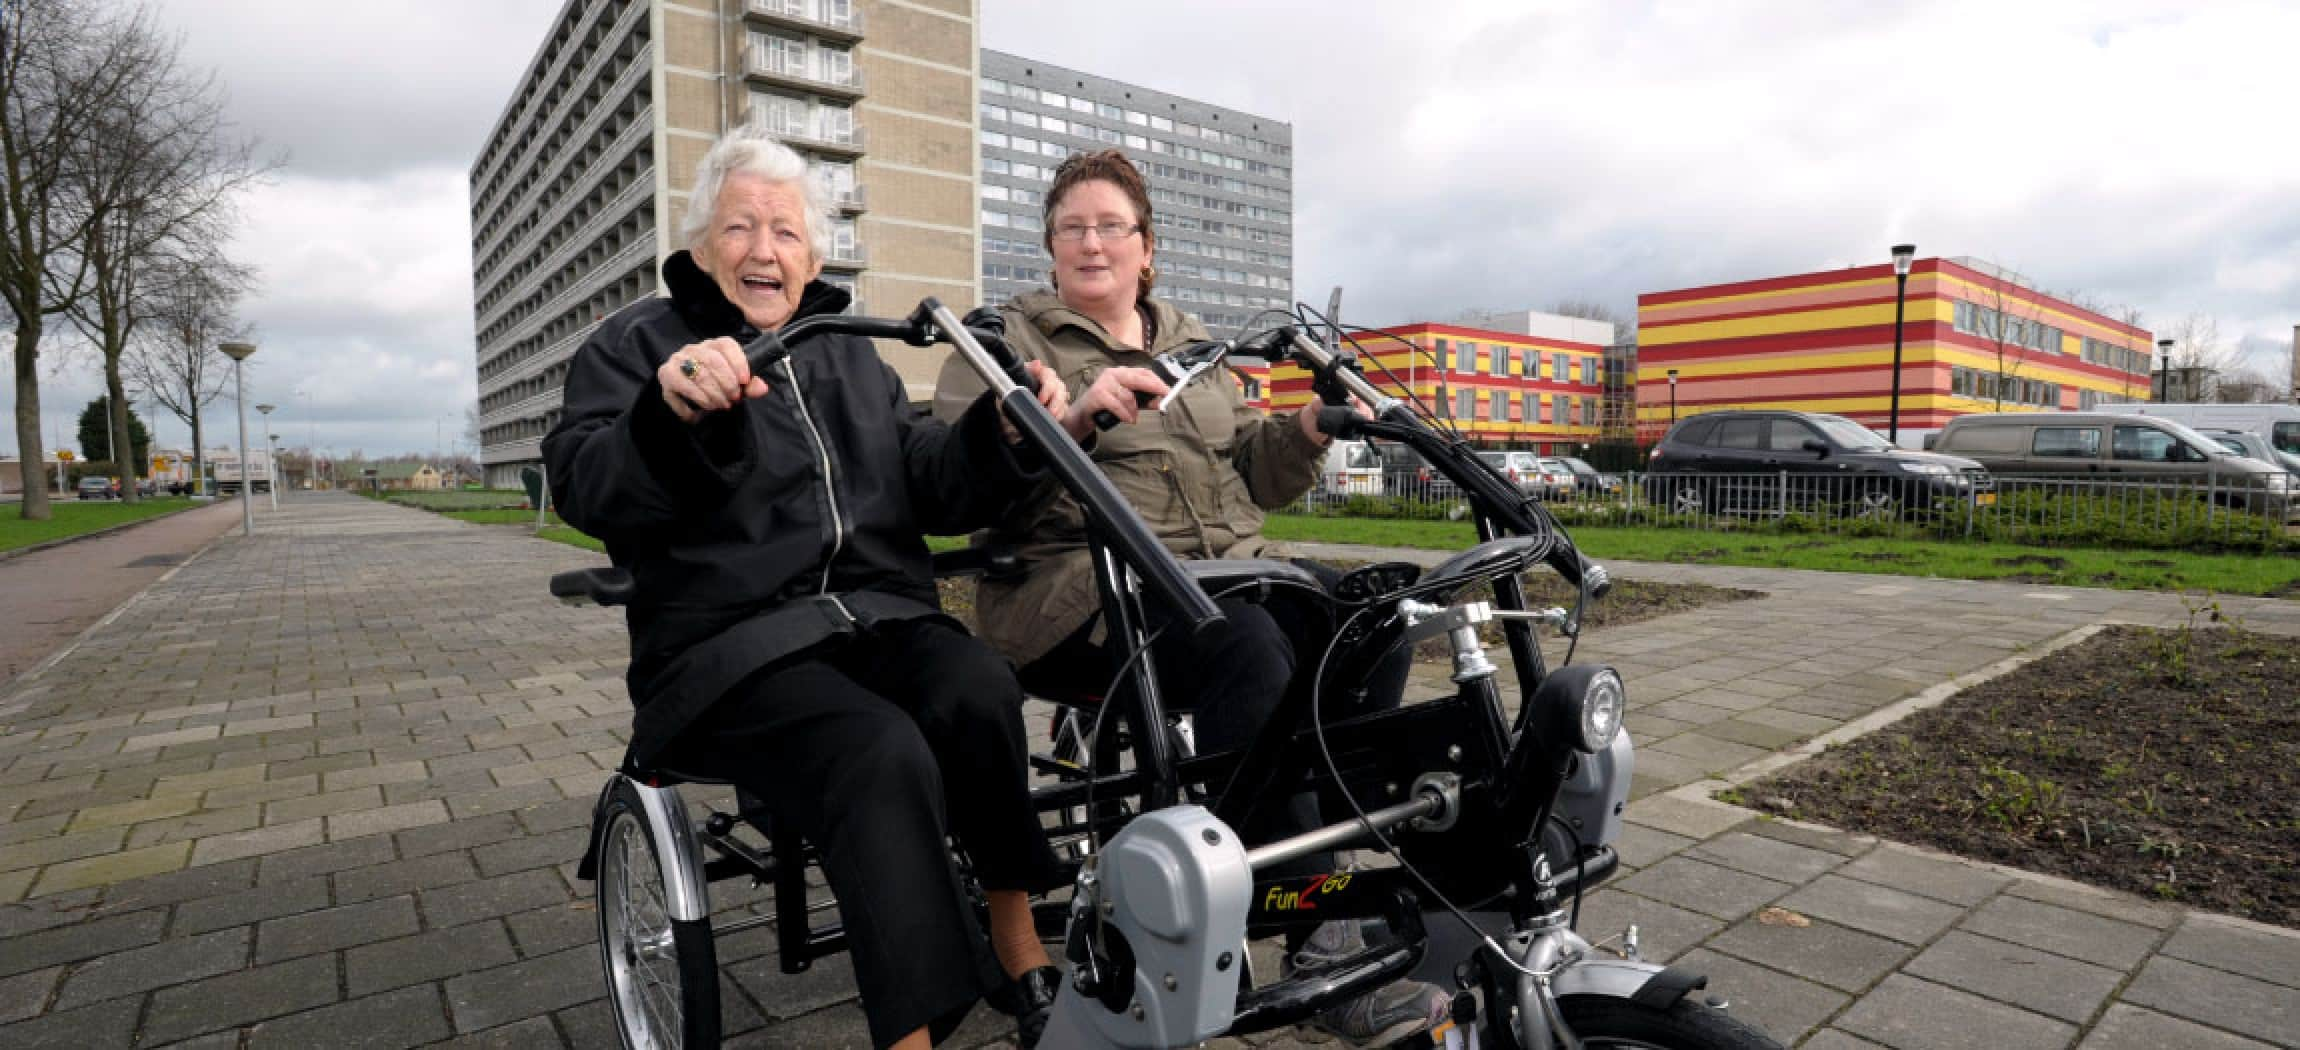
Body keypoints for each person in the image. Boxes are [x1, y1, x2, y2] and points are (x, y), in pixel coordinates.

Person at [543, 128, 1149, 1050]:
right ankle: (911, 1036)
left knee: (978, 686)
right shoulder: (641, 345)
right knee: (877, 748)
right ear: (701, 242)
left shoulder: (848, 353)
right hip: (726, 648)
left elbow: (931, 476)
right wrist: (663, 415)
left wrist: (1005, 436)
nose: (763, 250)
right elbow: (585, 479)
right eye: (740, 227)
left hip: (877, 620)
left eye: (786, 233)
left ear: (815, 254)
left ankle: (1016, 932)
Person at [932, 149, 1438, 1046]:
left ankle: (1315, 846)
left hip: (1224, 572)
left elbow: (1254, 469)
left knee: (1382, 609)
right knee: (1252, 649)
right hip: (1078, 593)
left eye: (1110, 226)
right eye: (1071, 228)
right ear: (1049, 248)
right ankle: (1305, 924)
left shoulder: (1194, 344)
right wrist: (1078, 414)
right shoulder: (1001, 344)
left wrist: (1310, 429)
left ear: (1147, 249)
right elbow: (964, 487)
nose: (1091, 242)